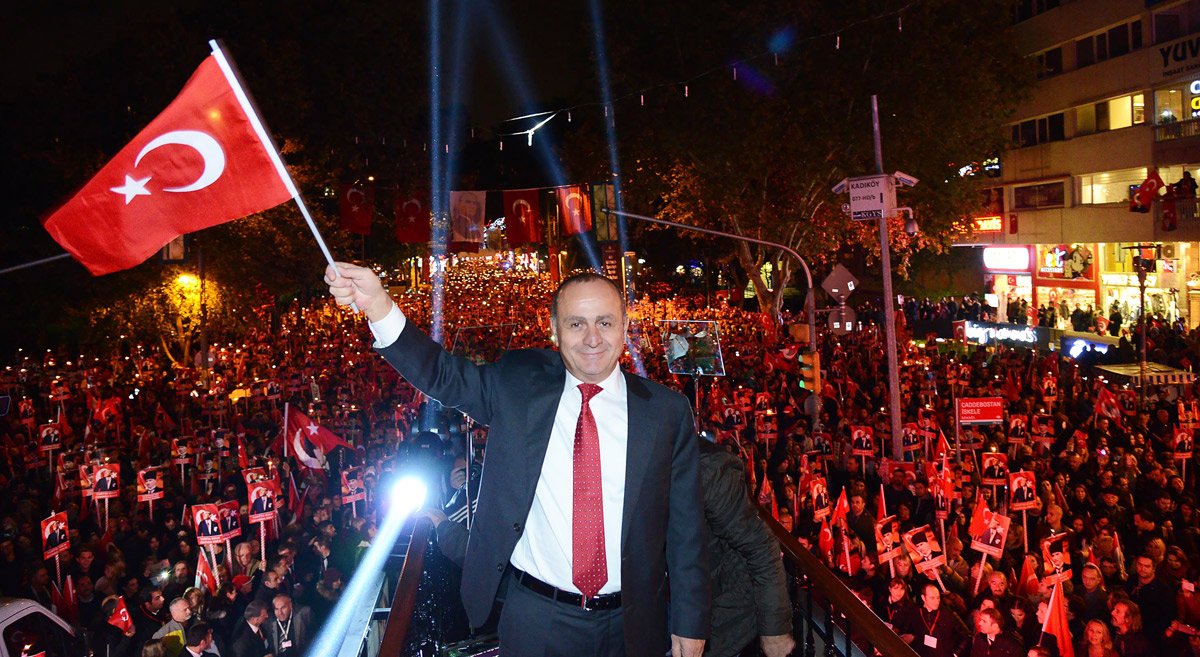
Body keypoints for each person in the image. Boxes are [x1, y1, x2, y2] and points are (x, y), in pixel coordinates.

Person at [326, 263, 710, 657]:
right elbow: (443, 375)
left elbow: (686, 530)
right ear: (554, 330)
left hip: (634, 622)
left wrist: (690, 621)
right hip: (536, 619)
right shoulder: (518, 386)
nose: (592, 338)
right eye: (576, 324)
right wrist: (379, 305)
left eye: (605, 322)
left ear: (625, 325)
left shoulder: (666, 411)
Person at [899, 583, 970, 657]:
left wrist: (955, 654)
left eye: (938, 598)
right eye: (932, 598)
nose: (936, 601)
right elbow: (908, 632)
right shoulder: (915, 613)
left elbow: (966, 636)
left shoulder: (948, 615)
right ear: (923, 598)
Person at [268, 593, 313, 657]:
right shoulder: (269, 620)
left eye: (283, 608)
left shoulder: (304, 613)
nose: (280, 613)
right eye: (276, 609)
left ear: (290, 605)